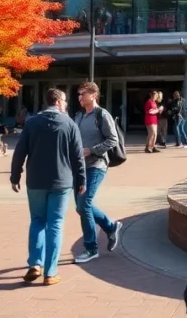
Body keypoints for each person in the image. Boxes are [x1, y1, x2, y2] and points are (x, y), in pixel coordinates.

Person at [9, 88, 86, 286]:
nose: (67, 104)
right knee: (56, 224)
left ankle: (35, 263)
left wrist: (15, 176)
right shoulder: (69, 124)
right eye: (66, 101)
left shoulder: (32, 123)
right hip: (61, 181)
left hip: (35, 181)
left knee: (37, 220)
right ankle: (50, 272)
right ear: (59, 102)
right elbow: (78, 157)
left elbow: (20, 152)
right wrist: (81, 180)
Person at [72, 81, 123, 264]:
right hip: (79, 168)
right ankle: (111, 227)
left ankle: (91, 248)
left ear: (93, 95)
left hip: (96, 165)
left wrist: (92, 150)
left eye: (83, 94)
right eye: (78, 94)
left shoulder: (102, 115)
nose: (80, 97)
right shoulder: (78, 116)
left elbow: (112, 139)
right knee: (80, 207)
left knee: (84, 205)